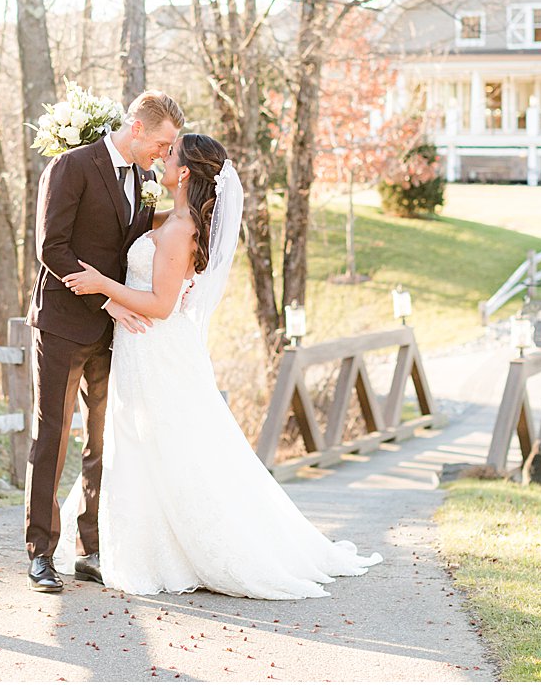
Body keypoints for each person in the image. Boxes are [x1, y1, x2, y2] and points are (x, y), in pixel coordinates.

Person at [54, 133, 382, 599]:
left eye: (170, 155)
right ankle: (141, 543)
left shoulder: (180, 228)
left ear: (185, 172)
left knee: (169, 447)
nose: (162, 158)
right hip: (145, 347)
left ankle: (190, 549)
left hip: (156, 347)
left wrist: (101, 284)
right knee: (146, 445)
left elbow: (162, 304)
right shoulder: (172, 219)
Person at [23, 91, 184, 593]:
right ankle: (40, 554)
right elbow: (52, 246)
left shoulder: (143, 180)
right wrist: (108, 302)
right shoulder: (72, 166)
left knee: (102, 440)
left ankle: (88, 549)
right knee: (51, 435)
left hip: (115, 335)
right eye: (162, 142)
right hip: (64, 324)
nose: (164, 153)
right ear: (136, 128)